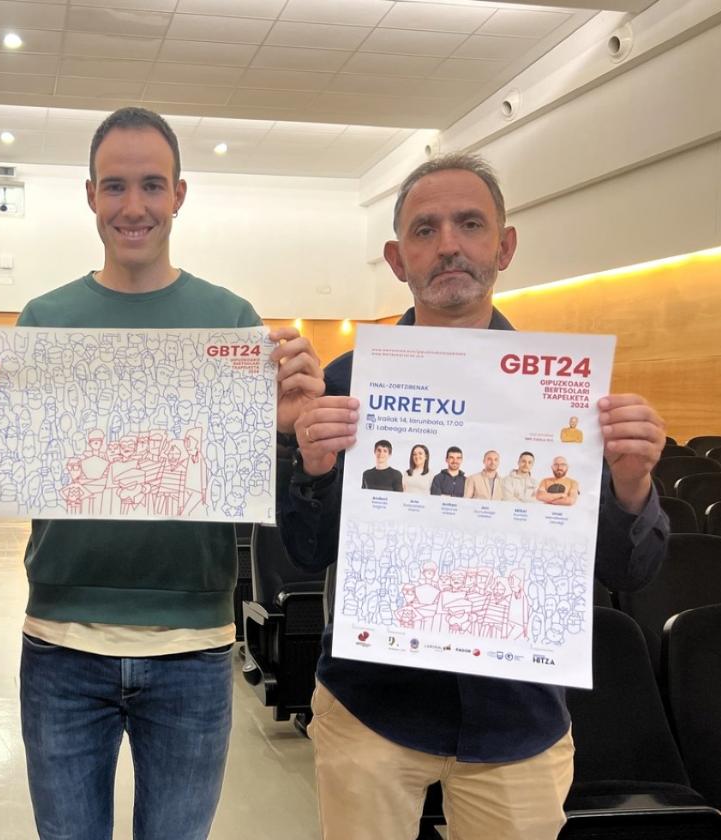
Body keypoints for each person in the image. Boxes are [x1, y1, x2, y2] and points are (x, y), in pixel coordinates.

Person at [0, 106, 323, 840]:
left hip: (194, 651)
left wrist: (281, 433)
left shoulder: (230, 319)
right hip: (60, 646)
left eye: (152, 185)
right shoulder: (47, 321)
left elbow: (257, 497)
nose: (134, 206)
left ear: (181, 193)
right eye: (115, 187)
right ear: (90, 196)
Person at [281, 153, 667, 840]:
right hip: (371, 708)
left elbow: (627, 572)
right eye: (425, 230)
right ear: (398, 260)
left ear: (504, 246)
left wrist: (634, 485)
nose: (449, 244)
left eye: (469, 224)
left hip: (517, 719)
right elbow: (306, 553)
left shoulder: (565, 394)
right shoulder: (345, 381)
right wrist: (309, 468)